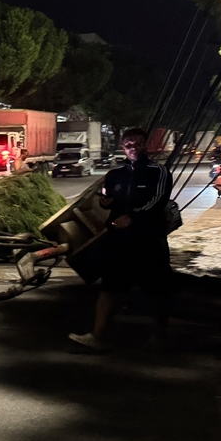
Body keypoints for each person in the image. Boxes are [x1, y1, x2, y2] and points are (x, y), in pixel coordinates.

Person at [69, 128, 173, 351]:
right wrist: (105, 203)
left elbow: (158, 200)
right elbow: (108, 199)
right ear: (122, 147)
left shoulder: (159, 172)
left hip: (149, 239)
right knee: (110, 286)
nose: (133, 148)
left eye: (137, 143)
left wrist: (133, 216)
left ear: (146, 145)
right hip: (119, 240)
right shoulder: (115, 174)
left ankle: (159, 336)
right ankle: (98, 336)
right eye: (128, 144)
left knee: (156, 288)